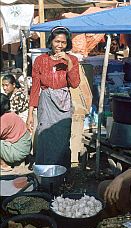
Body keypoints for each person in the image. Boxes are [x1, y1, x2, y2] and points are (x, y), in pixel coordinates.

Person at [26, 26, 80, 176]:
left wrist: (68, 62)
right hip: (46, 103)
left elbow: (75, 83)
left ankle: (62, 176)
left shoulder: (72, 60)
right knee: (44, 137)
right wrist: (30, 114)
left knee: (63, 139)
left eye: (63, 42)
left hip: (63, 104)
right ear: (51, 41)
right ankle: (44, 175)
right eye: (57, 41)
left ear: (67, 44)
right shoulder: (40, 60)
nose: (60, 45)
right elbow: (35, 88)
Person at [0, 93, 32, 172]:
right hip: (23, 147)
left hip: (19, 150)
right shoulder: (9, 114)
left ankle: (4, 165)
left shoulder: (4, 119)